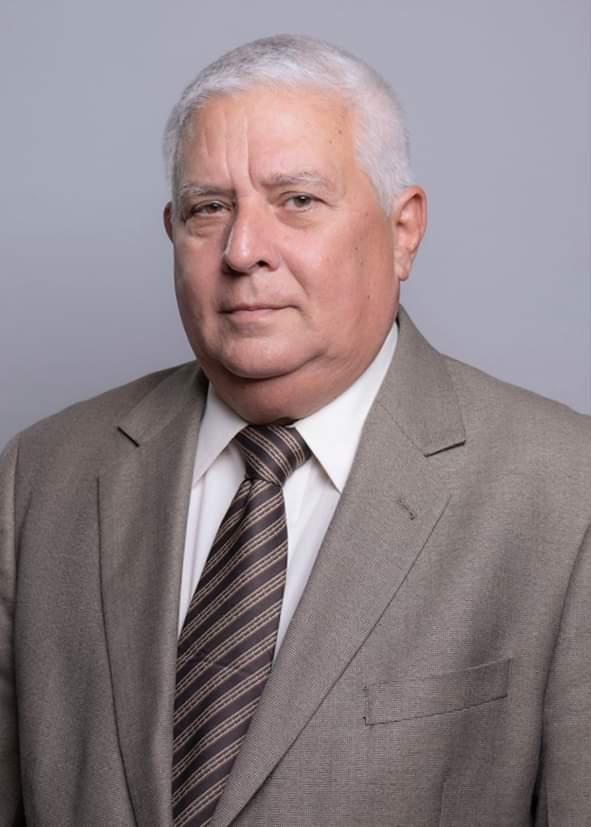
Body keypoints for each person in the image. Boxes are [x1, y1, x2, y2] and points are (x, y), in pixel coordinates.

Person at [1, 34, 589, 827]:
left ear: (403, 230)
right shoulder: (39, 478)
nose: (243, 251)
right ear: (172, 231)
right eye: (209, 208)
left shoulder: (565, 496)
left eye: (297, 201)